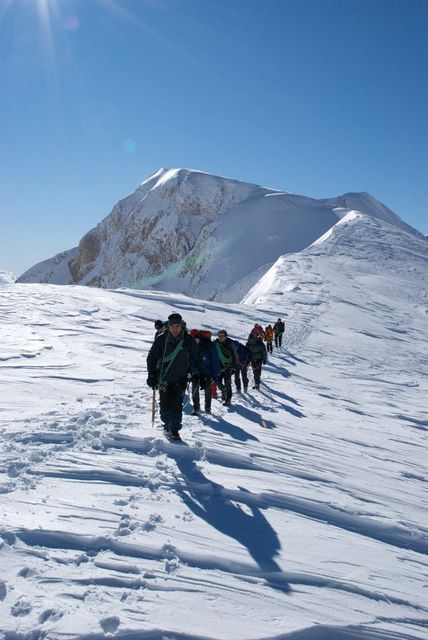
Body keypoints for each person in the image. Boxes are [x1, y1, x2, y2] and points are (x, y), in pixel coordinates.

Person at [147, 313, 203, 439]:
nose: (175, 329)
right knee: (165, 405)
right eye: (173, 326)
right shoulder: (161, 340)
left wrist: (202, 375)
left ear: (181, 326)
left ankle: (175, 430)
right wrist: (152, 374)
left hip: (180, 379)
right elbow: (151, 358)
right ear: (169, 326)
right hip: (163, 379)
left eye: (177, 326)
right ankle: (167, 424)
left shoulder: (188, 340)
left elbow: (197, 358)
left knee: (176, 405)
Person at [212, 330, 239, 407]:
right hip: (219, 366)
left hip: (229, 366)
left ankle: (228, 399)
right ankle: (223, 390)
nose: (220, 337)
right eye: (219, 336)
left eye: (222, 336)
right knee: (217, 381)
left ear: (226, 336)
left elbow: (235, 355)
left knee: (227, 382)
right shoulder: (215, 343)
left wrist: (234, 367)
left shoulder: (230, 343)